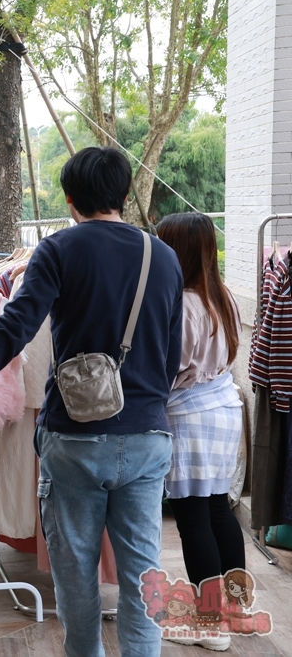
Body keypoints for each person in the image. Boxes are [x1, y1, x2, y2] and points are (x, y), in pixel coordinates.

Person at [0, 146, 184, 657]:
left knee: (75, 573)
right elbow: (171, 352)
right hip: (146, 436)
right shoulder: (162, 256)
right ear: (123, 195)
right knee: (143, 576)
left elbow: (14, 329)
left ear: (71, 200)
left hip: (73, 439)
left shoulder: (58, 251)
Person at [157, 212, 245, 652]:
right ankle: (235, 608)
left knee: (193, 519)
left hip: (190, 417)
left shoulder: (183, 305)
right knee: (218, 511)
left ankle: (211, 625)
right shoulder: (222, 296)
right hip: (225, 409)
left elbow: (169, 373)